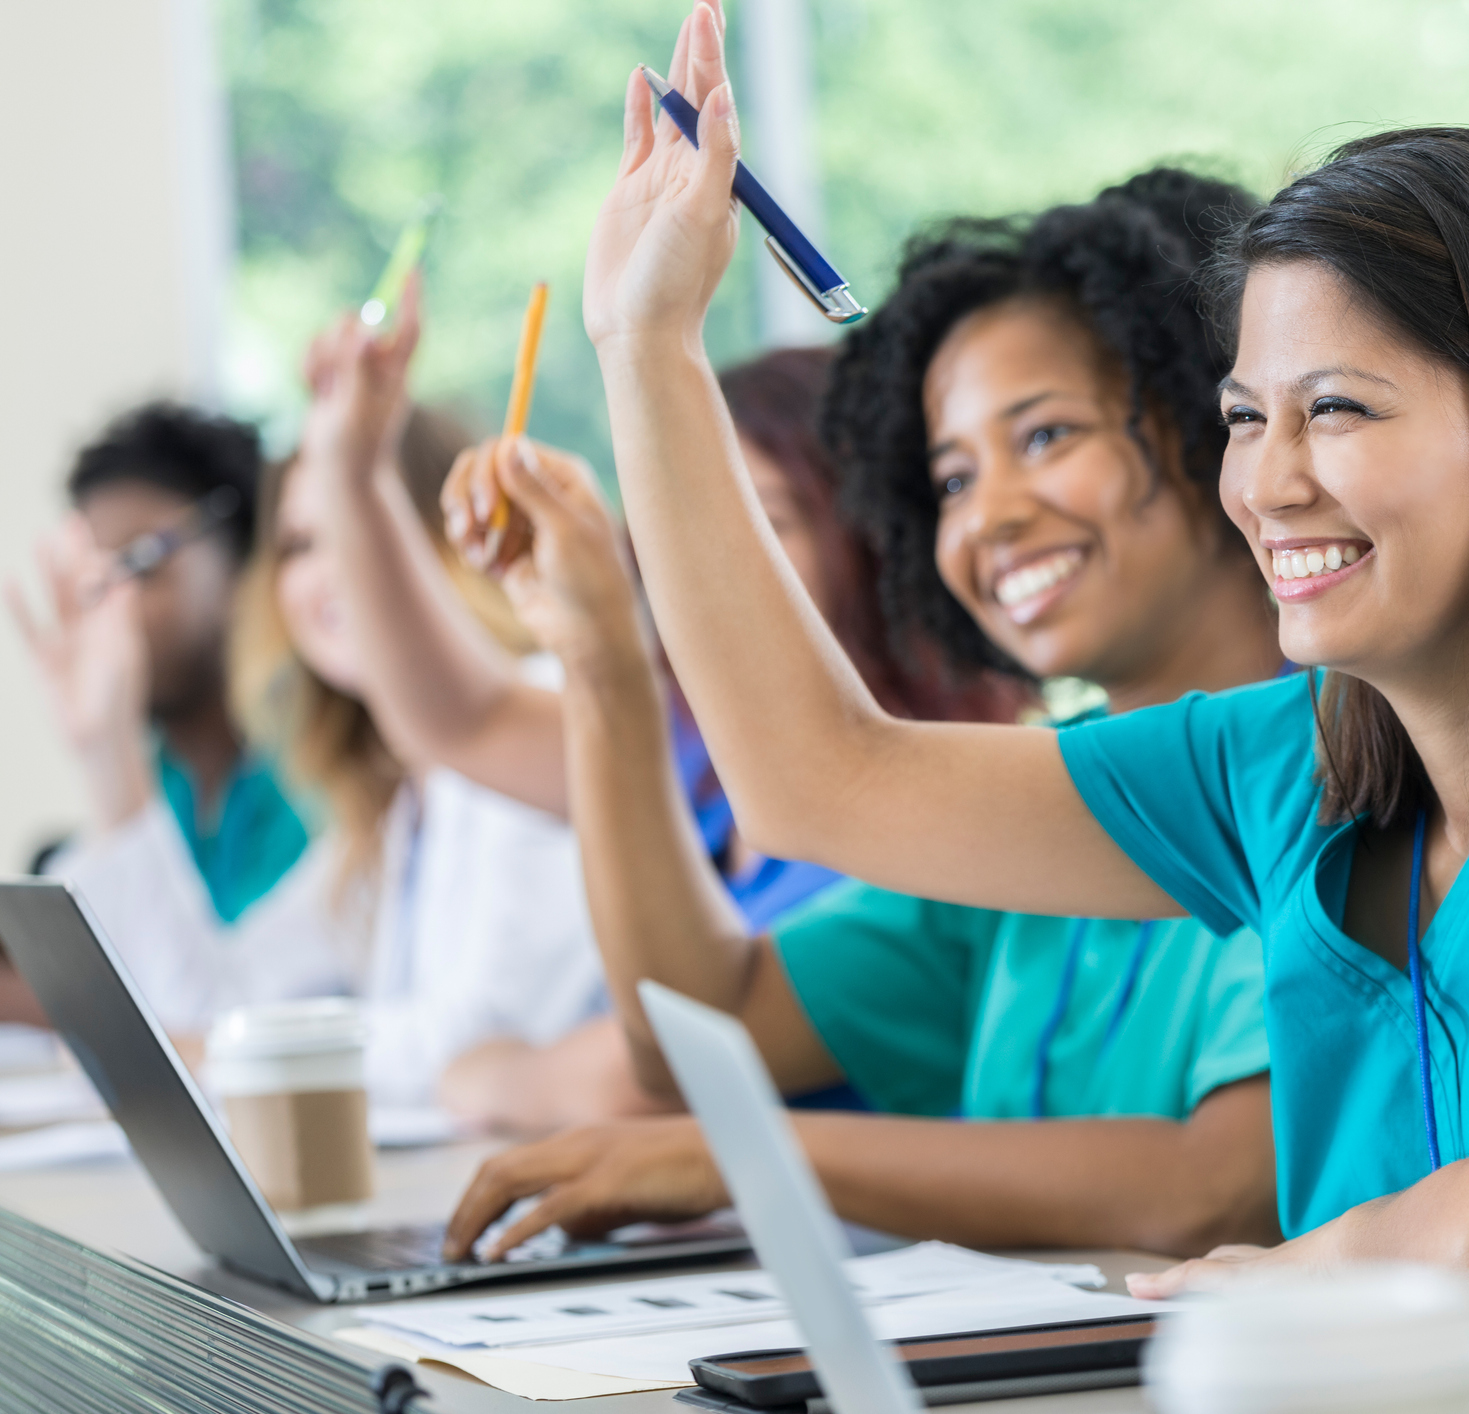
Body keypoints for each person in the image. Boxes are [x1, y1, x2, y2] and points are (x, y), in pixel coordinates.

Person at [454, 7, 1469, 1395]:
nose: (1267, 483)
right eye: (1243, 418)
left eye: (1335, 408)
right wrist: (646, 345)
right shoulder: (1293, 765)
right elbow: (818, 781)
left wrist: (1237, 1287)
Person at [435, 169, 1282, 1262]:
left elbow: (1213, 1191)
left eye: (1044, 438)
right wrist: (600, 660)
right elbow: (698, 1024)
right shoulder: (1043, 801)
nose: (993, 519)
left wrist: (747, 1150)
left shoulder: (1327, 764)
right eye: (952, 479)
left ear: (1213, 420)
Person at [11, 351, 638, 1128]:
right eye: (303, 543)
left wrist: (233, 1054)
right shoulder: (389, 795)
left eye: (360, 527)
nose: (327, 574)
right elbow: (218, 1003)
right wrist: (104, 744)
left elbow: (482, 1038)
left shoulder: (535, 726)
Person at [313, 291, 1020, 934]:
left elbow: (695, 1036)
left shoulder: (949, 807)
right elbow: (465, 721)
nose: (701, 564)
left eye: (764, 522)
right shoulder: (703, 751)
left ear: (870, 542)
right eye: (688, 525)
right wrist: (352, 467)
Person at [6, 407, 311, 1007]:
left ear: (247, 566)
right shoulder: (160, 784)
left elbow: (212, 1012)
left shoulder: (320, 781)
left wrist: (109, 749)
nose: (107, 608)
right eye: (92, 578)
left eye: (140, 564)